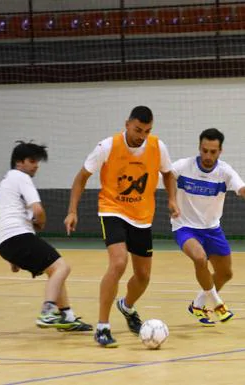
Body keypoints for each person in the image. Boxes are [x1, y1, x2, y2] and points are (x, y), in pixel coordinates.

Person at [64, 106, 179, 348]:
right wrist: (72, 211)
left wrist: (172, 199)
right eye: (138, 129)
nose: (142, 135)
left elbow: (168, 174)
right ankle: (103, 327)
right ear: (127, 124)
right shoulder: (107, 146)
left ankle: (126, 306)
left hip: (142, 216)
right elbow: (81, 177)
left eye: (147, 131)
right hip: (112, 210)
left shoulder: (158, 146)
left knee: (143, 276)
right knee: (118, 263)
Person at [0, 141, 92, 331]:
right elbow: (38, 209)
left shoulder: (5, 183)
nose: (36, 165)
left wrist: (13, 258)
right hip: (18, 236)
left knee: (53, 269)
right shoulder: (21, 177)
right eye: (32, 161)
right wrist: (42, 222)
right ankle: (48, 311)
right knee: (62, 267)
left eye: (37, 161)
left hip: (5, 242)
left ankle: (67, 316)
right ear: (19, 162)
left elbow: (3, 220)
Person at [171, 128, 245, 326]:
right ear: (199, 148)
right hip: (185, 226)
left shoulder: (225, 171)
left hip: (212, 229)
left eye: (213, 152)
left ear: (220, 151)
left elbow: (241, 188)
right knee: (199, 258)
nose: (207, 156)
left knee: (225, 274)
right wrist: (171, 199)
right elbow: (167, 174)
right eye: (204, 150)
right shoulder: (183, 166)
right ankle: (217, 303)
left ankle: (197, 305)